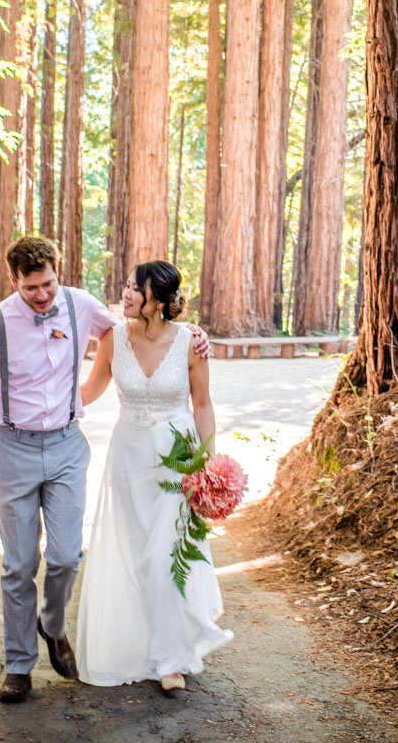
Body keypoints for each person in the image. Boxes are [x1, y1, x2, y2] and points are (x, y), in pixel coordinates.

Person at [0, 237, 210, 704]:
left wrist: (191, 333)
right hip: (12, 447)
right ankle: (18, 667)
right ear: (15, 281)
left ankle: (52, 625)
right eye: (31, 287)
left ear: (59, 272)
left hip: (69, 446)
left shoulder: (80, 306)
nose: (43, 295)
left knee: (68, 557)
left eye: (49, 283)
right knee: (19, 564)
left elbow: (142, 332)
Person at [75, 259, 233, 691]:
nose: (125, 294)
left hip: (177, 459)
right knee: (134, 556)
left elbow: (202, 404)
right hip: (128, 458)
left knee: (166, 558)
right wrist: (48, 403)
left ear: (158, 301)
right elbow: (88, 391)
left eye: (134, 289)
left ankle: (169, 660)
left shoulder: (190, 343)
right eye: (126, 286)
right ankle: (137, 648)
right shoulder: (112, 339)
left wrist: (209, 463)